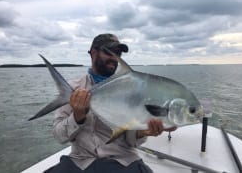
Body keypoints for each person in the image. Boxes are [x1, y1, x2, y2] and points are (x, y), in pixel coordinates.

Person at [45, 33, 176, 173]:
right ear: (93, 53)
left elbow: (130, 140)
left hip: (122, 160)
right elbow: (59, 136)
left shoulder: (131, 89)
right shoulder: (74, 89)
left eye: (118, 53)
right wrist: (77, 117)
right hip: (80, 161)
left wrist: (142, 132)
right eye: (109, 52)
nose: (114, 58)